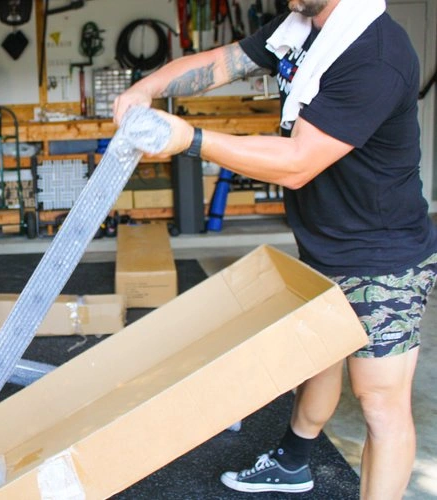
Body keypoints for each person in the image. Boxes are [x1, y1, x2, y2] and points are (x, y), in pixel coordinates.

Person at [114, 0, 437, 497]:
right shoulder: (302, 26)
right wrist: (146, 87)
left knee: (379, 402)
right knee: (318, 358)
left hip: (382, 258)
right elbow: (222, 62)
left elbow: (297, 162)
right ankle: (292, 462)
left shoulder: (373, 52)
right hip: (326, 241)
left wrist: (190, 138)